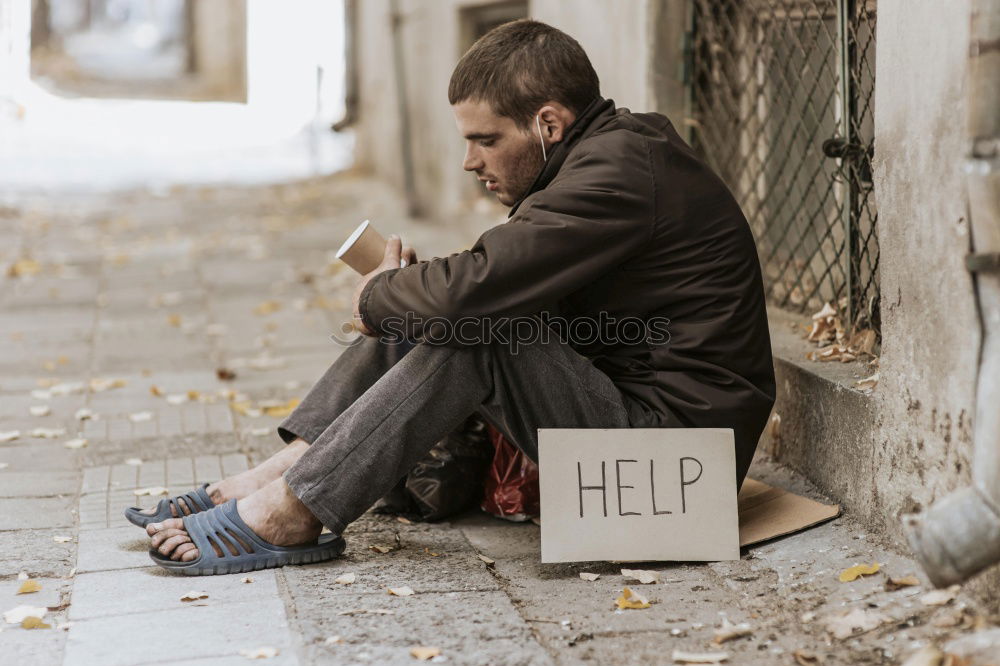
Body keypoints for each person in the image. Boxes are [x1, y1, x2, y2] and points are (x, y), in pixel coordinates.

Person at [137, 19, 776, 574]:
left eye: (486, 139)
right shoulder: (605, 159)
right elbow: (490, 275)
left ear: (548, 123)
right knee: (437, 308)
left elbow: (477, 287)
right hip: (638, 423)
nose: (470, 161)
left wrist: (380, 301)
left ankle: (293, 511)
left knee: (472, 327)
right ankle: (272, 480)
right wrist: (403, 297)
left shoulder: (616, 175)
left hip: (678, 463)